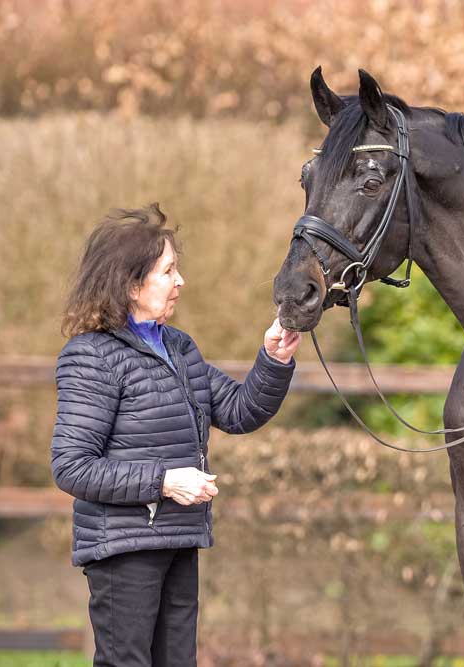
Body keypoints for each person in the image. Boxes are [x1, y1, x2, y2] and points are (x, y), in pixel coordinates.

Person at [51, 203, 300, 667]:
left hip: (179, 538)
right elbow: (72, 466)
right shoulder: (91, 357)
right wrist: (165, 481)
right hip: (123, 549)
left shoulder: (179, 348)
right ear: (130, 284)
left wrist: (274, 359)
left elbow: (241, 411)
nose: (180, 281)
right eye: (168, 271)